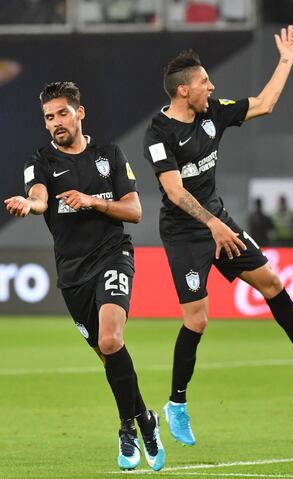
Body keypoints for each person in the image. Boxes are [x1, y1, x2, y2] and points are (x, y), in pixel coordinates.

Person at [143, 26, 293, 447]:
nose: (213, 86)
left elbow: (265, 103)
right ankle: (177, 405)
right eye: (205, 81)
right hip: (185, 234)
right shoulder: (158, 133)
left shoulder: (212, 113)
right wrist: (212, 224)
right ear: (184, 90)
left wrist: (287, 60)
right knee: (198, 319)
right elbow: (173, 191)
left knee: (272, 283)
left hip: (219, 221)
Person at [4, 81, 165, 471]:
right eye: (48, 117)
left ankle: (126, 428)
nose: (56, 122)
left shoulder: (109, 154)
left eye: (62, 113)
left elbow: (135, 210)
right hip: (72, 272)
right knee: (107, 356)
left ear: (80, 112)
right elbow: (41, 197)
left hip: (113, 256)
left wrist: (92, 200)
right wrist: (32, 202)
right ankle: (145, 418)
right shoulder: (40, 161)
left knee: (111, 340)